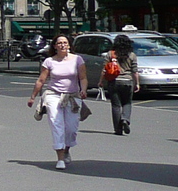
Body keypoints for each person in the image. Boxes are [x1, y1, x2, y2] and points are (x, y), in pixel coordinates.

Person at [27, 35, 87, 169]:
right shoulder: (49, 61)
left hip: (72, 96)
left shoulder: (78, 59)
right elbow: (41, 80)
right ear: (55, 46)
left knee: (71, 128)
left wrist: (83, 90)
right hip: (53, 95)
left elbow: (83, 78)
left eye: (65, 42)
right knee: (56, 124)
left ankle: (66, 149)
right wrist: (33, 97)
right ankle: (60, 158)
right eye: (59, 43)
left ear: (69, 45)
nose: (62, 45)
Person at [101, 33, 140, 136]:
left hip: (114, 82)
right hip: (128, 81)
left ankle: (118, 129)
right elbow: (135, 71)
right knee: (127, 103)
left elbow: (104, 70)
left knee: (116, 105)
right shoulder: (132, 55)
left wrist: (100, 82)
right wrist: (137, 83)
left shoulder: (110, 54)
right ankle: (125, 119)